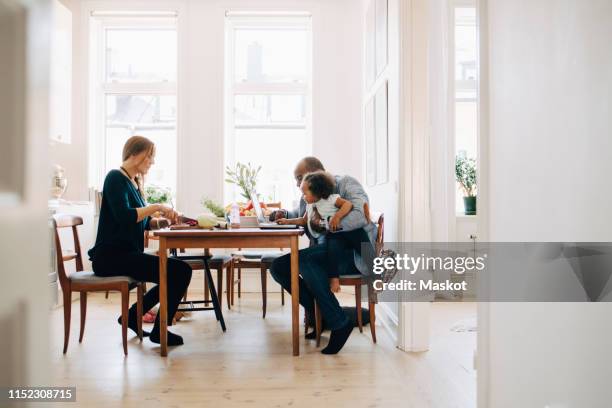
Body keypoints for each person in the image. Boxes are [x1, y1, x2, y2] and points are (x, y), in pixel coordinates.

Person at [88, 136, 192, 347]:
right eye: (149, 156)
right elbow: (125, 216)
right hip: (111, 257)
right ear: (134, 155)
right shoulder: (115, 178)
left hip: (126, 255)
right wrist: (156, 206)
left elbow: (143, 224)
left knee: (178, 272)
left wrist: (166, 221)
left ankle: (137, 316)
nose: (152, 162)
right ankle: (156, 328)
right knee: (180, 272)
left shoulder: (132, 182)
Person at [269, 157, 376, 354]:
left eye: (299, 178)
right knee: (278, 267)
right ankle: (325, 314)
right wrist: (283, 213)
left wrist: (326, 223)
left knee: (303, 260)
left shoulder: (346, 183)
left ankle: (338, 322)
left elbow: (361, 214)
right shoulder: (310, 194)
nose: (298, 184)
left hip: (353, 254)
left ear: (316, 173)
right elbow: (302, 213)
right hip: (329, 251)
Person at [278, 171, 371, 294]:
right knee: (332, 250)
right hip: (332, 234)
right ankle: (334, 279)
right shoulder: (310, 205)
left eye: (305, 193)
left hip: (343, 230)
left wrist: (337, 216)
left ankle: (374, 264)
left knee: (358, 235)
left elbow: (348, 205)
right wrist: (286, 221)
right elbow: (303, 220)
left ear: (317, 192)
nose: (303, 197)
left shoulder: (331, 199)